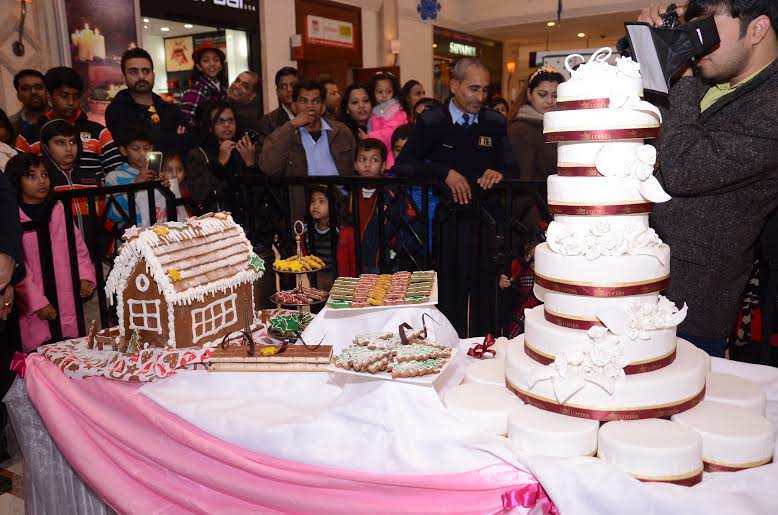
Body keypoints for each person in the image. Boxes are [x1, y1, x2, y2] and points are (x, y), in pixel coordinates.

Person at [640, 0, 778, 358]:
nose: (695, 43)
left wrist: (681, 73)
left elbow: (683, 169)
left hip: (691, 307)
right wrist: (653, 47)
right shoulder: (708, 77)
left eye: (706, 30)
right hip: (634, 283)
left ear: (757, 29)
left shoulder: (771, 105)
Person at [395, 57, 510, 336]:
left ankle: (485, 354)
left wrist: (498, 171)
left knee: (485, 296)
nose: (480, 97)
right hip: (445, 224)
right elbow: (404, 166)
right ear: (455, 85)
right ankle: (447, 355)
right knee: (449, 298)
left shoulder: (494, 122)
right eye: (473, 89)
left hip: (485, 222)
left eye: (485, 90)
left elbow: (512, 165)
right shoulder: (432, 121)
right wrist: (444, 172)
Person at [5, 153, 95, 353]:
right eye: (32, 176)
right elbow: (16, 267)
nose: (41, 181)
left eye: (45, 175)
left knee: (70, 348)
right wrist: (35, 302)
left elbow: (77, 246)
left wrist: (85, 275)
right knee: (39, 353)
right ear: (16, 181)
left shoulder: (57, 208)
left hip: (65, 292)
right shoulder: (11, 218)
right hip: (33, 302)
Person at [259, 81, 356, 220]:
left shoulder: (341, 132)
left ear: (323, 107)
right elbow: (268, 167)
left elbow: (355, 169)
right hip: (304, 211)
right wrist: (292, 125)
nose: (310, 106)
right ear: (294, 106)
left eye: (315, 101)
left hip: (341, 209)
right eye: (303, 101)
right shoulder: (286, 135)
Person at [16, 67, 123, 180]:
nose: (71, 102)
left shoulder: (100, 132)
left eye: (76, 97)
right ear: (48, 95)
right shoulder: (28, 137)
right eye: (64, 96)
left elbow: (117, 176)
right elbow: (21, 180)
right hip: (51, 197)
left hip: (95, 197)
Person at [106, 48, 189, 157]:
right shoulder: (117, 111)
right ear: (124, 78)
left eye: (146, 71)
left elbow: (187, 143)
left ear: (153, 75)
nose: (141, 76)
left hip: (173, 172)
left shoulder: (170, 109)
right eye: (133, 72)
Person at [187, 100, 259, 214]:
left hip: (245, 220)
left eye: (231, 120)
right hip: (215, 222)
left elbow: (258, 195)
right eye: (220, 121)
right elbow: (199, 193)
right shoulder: (199, 154)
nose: (227, 125)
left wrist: (250, 164)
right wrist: (219, 163)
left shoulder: (243, 149)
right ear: (210, 127)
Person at [105, 127, 169, 228]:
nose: (142, 153)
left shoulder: (157, 174)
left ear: (152, 149)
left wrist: (166, 188)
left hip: (160, 233)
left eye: (146, 148)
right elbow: (113, 214)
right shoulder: (114, 177)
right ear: (123, 150)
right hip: (133, 239)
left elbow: (169, 208)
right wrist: (135, 185)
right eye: (135, 149)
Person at [508, 68, 565, 181]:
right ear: (529, 94)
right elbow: (525, 178)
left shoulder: (565, 126)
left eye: (555, 95)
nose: (549, 101)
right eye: (542, 95)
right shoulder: (519, 129)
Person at [306, 186, 356, 288]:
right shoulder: (307, 231)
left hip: (339, 277)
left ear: (334, 205)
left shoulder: (342, 232)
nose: (315, 206)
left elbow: (352, 260)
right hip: (317, 276)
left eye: (321, 201)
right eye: (312, 201)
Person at [367, 72, 408, 170]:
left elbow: (391, 133)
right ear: (373, 93)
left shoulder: (397, 110)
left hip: (392, 157)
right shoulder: (375, 110)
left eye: (388, 91)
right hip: (378, 154)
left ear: (394, 92)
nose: (384, 95)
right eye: (380, 92)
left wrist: (369, 137)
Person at [180, 46, 228, 128]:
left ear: (221, 66)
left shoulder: (223, 89)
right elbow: (186, 120)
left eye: (216, 60)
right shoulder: (196, 90)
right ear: (199, 67)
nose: (212, 64)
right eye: (206, 60)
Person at [257, 67, 298, 150]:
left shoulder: (310, 117)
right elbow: (268, 153)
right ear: (277, 92)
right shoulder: (267, 122)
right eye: (283, 86)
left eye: (293, 85)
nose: (289, 90)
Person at [9, 69, 48, 136]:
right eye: (26, 89)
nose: (33, 92)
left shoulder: (60, 118)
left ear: (47, 92)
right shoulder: (10, 125)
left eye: (38, 87)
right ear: (18, 96)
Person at [162, 153, 191, 221]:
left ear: (185, 173)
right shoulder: (156, 191)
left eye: (179, 170)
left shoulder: (188, 190)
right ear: (161, 172)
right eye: (169, 170)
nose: (175, 174)